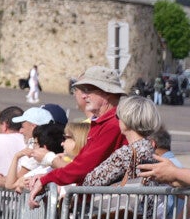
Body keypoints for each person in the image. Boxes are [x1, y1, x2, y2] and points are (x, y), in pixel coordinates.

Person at [25, 67, 126, 201]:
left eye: (88, 90)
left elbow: (83, 168)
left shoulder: (113, 124)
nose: (84, 96)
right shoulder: (104, 123)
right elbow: (81, 163)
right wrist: (47, 177)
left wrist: (45, 179)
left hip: (105, 206)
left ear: (107, 93)